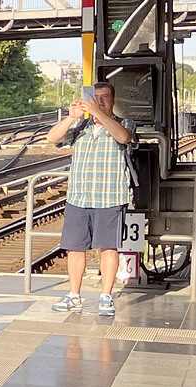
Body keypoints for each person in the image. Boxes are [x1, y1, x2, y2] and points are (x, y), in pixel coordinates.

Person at [45, 82, 135, 317]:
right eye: (95, 97)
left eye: (105, 97)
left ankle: (106, 296)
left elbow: (124, 138)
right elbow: (51, 137)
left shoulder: (124, 123)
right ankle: (74, 295)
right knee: (75, 248)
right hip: (79, 196)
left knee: (109, 248)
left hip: (110, 196)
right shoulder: (81, 126)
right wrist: (70, 118)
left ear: (113, 101)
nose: (100, 101)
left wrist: (96, 112)